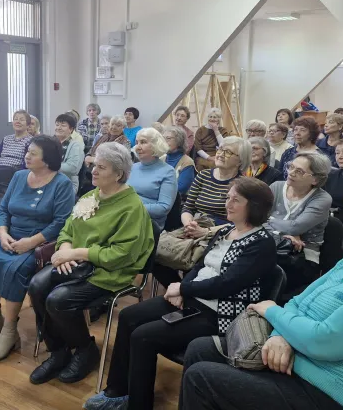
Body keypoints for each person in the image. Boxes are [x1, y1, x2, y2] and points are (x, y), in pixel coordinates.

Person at [181, 175, 343, 410]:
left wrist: (271, 311)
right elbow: (297, 303)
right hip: (305, 364)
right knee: (200, 348)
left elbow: (324, 340)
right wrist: (281, 336)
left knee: (201, 379)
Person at [84, 178, 276, 410]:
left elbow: (228, 284)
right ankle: (116, 392)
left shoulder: (261, 243)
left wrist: (183, 288)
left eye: (236, 200)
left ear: (254, 206)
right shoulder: (226, 231)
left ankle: (138, 404)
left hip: (220, 313)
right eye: (228, 198)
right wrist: (183, 288)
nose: (228, 204)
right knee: (127, 316)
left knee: (143, 336)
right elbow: (200, 265)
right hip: (193, 297)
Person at [28, 142, 155, 386]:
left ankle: (86, 349)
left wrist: (77, 253)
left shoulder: (132, 207)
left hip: (109, 270)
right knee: (36, 286)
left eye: (101, 167)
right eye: (94, 165)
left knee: (58, 300)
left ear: (118, 174)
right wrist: (65, 249)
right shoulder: (90, 196)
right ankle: (58, 352)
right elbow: (68, 229)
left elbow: (121, 255)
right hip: (76, 262)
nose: (93, 171)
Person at [0, 136, 75, 362]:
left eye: (33, 153)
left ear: (47, 159)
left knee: (16, 271)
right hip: (11, 236)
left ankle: (10, 330)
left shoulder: (62, 184)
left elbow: (61, 222)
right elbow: (3, 209)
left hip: (41, 242)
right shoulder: (19, 176)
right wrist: (3, 233)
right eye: (27, 151)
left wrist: (31, 242)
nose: (27, 156)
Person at [153, 137, 250, 288]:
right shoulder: (203, 176)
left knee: (196, 260)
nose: (221, 154)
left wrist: (206, 232)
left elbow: (241, 222)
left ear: (240, 161)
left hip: (222, 234)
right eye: (220, 149)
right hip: (194, 226)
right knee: (155, 254)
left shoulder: (243, 185)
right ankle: (179, 289)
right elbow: (188, 208)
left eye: (228, 152)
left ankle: (186, 291)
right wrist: (189, 225)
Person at [268, 152, 332, 289]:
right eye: (291, 167)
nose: (291, 173)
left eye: (299, 171)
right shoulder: (276, 187)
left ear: (315, 179)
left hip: (301, 256)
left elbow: (295, 227)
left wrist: (269, 220)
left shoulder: (322, 199)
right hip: (269, 245)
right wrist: (283, 236)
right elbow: (255, 219)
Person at [127, 128, 177, 229]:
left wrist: (130, 208)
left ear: (156, 145)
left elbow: (163, 207)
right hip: (125, 216)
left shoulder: (168, 172)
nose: (137, 147)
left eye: (143, 142)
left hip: (148, 223)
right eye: (137, 142)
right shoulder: (131, 167)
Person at [0, 110, 33, 182]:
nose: (18, 122)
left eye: (21, 120)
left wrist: (18, 175)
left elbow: (26, 163)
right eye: (15, 119)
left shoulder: (30, 141)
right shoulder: (6, 139)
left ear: (28, 125)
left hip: (15, 172)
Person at [194, 108, 232, 172]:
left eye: (215, 117)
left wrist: (216, 130)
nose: (212, 119)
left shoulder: (223, 130)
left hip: (219, 155)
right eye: (210, 117)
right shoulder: (201, 130)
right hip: (204, 156)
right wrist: (209, 157)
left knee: (220, 164)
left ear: (219, 119)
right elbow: (198, 148)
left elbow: (224, 146)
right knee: (204, 165)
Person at [54, 113, 83, 194]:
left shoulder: (75, 145)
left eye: (63, 125)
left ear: (71, 129)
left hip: (67, 182)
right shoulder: (49, 142)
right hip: (48, 179)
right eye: (57, 125)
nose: (59, 128)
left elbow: (72, 168)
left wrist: (49, 166)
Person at [163, 125, 195, 195]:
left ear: (179, 141)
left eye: (168, 138)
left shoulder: (187, 162)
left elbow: (180, 189)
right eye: (163, 138)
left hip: (178, 199)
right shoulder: (161, 159)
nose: (163, 142)